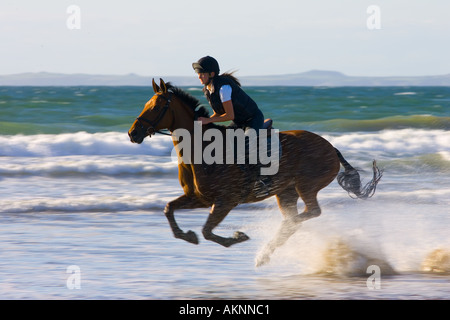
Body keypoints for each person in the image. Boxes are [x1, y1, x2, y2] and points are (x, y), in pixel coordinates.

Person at [192, 56, 271, 197]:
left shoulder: (224, 88)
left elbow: (229, 116)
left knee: (245, 144)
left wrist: (207, 121)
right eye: (198, 73)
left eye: (202, 73)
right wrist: (204, 121)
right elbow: (218, 112)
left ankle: (263, 180)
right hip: (240, 122)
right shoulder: (208, 89)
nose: (199, 76)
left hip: (252, 119)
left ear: (212, 74)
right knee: (223, 142)